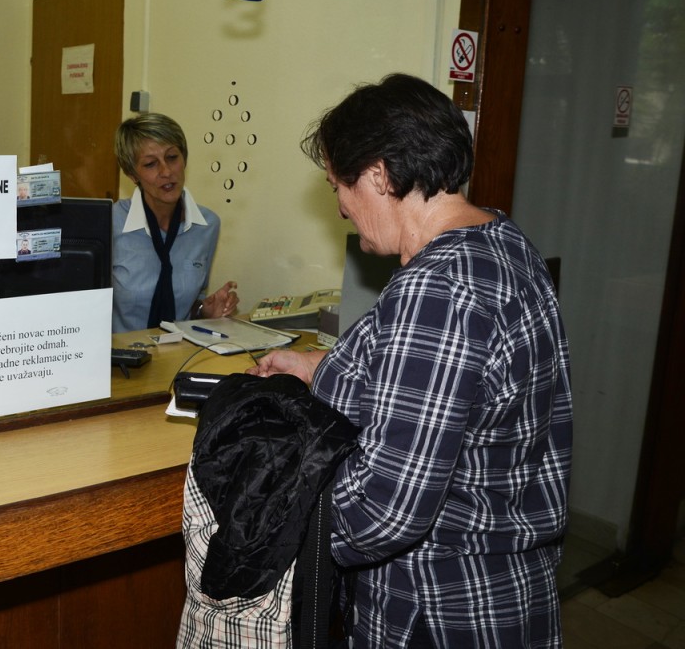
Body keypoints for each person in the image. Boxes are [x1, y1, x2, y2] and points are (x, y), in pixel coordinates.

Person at [247, 73, 572, 647]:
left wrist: (273, 526)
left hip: (440, 607)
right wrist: (316, 370)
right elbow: (433, 399)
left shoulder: (437, 287)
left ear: (377, 174)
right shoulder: (503, 241)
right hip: (507, 593)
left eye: (337, 187)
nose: (342, 208)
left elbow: (387, 509)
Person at [112, 112, 239, 333]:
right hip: (119, 360)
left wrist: (204, 311)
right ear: (132, 174)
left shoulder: (207, 225)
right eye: (151, 164)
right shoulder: (110, 222)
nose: (167, 172)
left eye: (172, 157)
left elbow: (189, 306)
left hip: (176, 355)